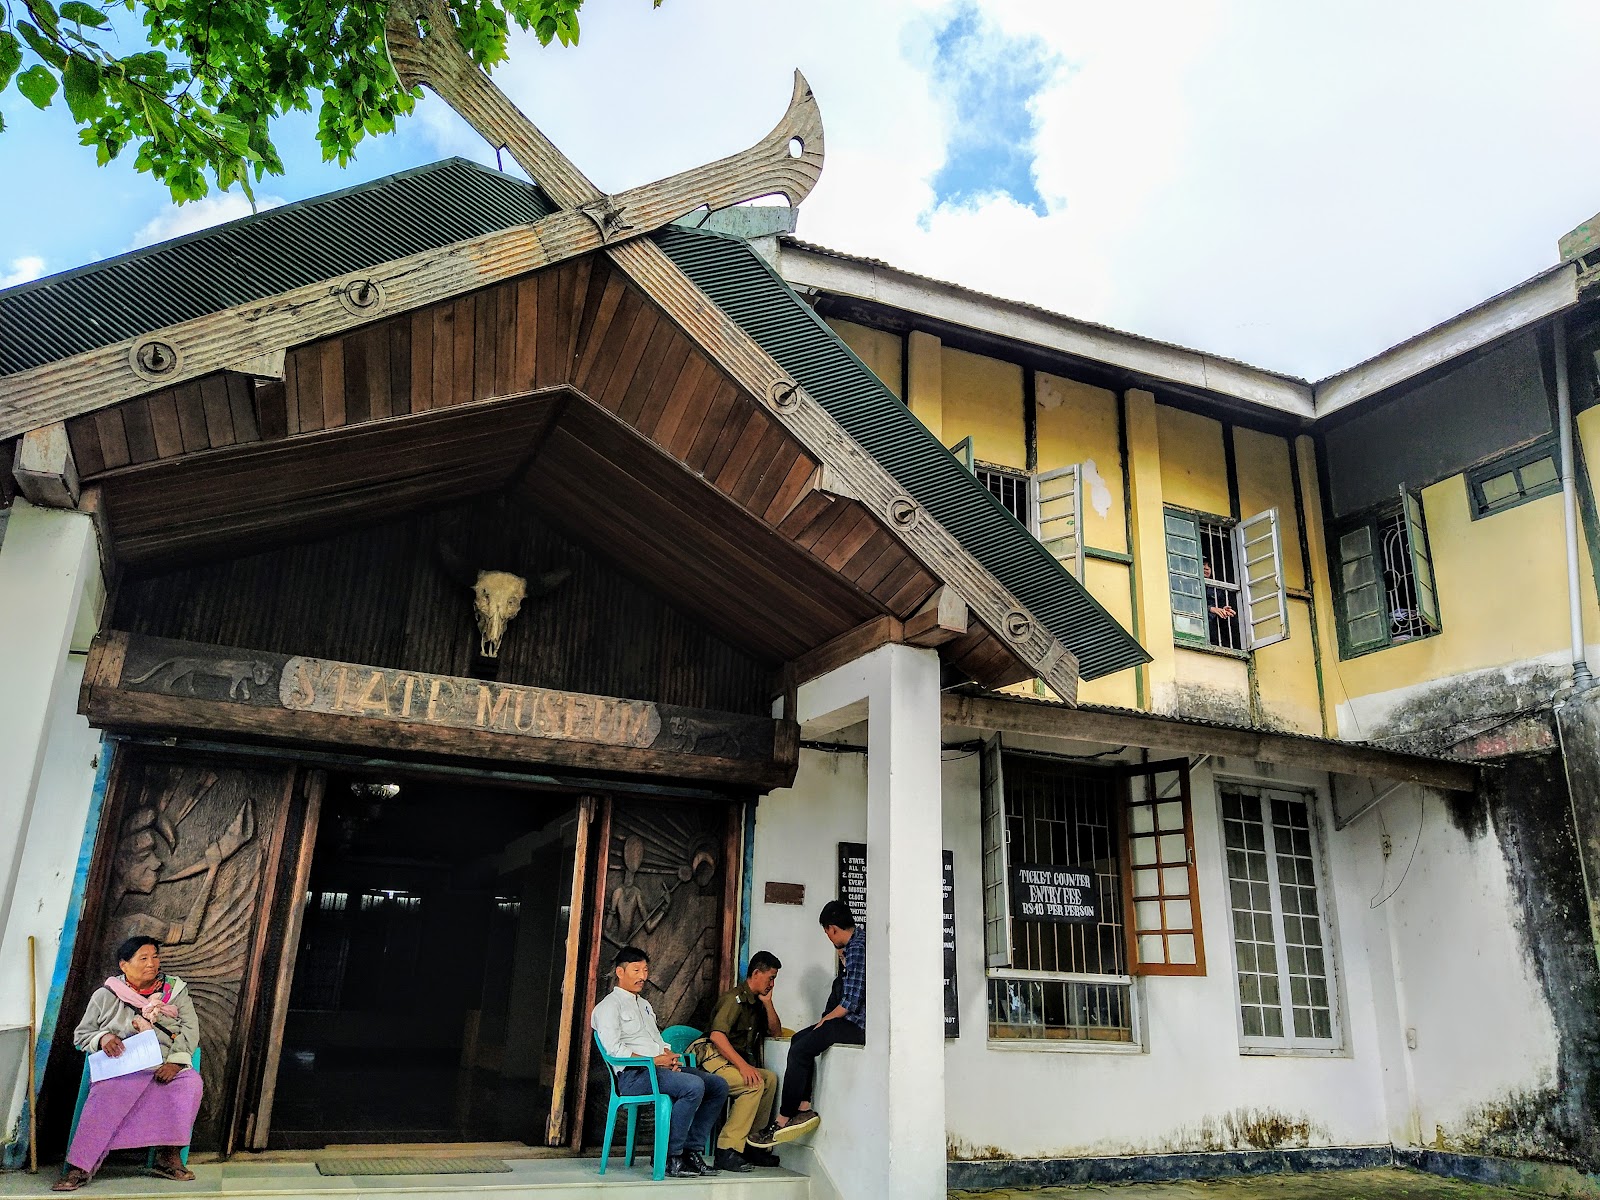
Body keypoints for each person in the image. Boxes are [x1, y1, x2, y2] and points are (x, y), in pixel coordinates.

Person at [54, 937, 203, 1191]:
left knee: (189, 1084)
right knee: (109, 1092)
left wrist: (176, 1063)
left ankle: (168, 1156)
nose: (151, 964)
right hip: (122, 1067)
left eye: (155, 957)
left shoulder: (175, 991)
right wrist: (103, 1038)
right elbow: (82, 1035)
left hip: (164, 1064)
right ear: (124, 965)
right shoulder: (105, 995)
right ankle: (81, 1166)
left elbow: (190, 1029)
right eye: (143, 958)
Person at [590, 946, 729, 1179]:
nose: (643, 976)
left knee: (718, 1085)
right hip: (633, 1077)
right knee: (692, 1086)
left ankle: (690, 1151)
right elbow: (615, 1050)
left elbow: (656, 1040)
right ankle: (669, 1156)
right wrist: (654, 1061)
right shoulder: (607, 1007)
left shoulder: (644, 1005)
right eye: (636, 970)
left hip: (659, 1070)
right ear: (620, 972)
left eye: (645, 970)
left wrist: (669, 1057)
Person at [747, 900, 864, 1150]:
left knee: (801, 1048)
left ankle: (782, 1119)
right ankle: (803, 1107)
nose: (829, 939)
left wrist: (826, 1019)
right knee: (800, 1039)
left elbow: (851, 1002)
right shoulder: (856, 946)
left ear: (832, 929)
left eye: (827, 933)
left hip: (858, 1025)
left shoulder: (856, 948)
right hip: (852, 1020)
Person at [691, 951, 783, 1172]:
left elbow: (776, 1031)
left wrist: (768, 1004)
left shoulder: (758, 1002)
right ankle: (727, 1149)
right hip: (711, 1058)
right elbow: (717, 1036)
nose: (772, 983)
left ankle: (752, 1146)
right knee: (753, 1083)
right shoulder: (734, 999)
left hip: (731, 1061)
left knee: (769, 1078)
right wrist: (743, 1067)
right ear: (756, 973)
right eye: (770, 977)